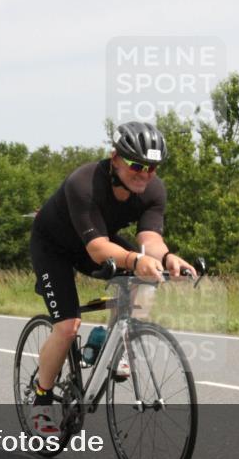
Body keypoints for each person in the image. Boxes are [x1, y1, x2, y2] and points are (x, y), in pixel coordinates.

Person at [27, 121, 196, 437]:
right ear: (115, 157)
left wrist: (168, 258)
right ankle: (41, 400)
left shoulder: (152, 190)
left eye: (152, 168)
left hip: (101, 242)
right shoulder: (85, 182)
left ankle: (114, 341)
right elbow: (96, 249)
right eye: (136, 164)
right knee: (67, 326)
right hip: (56, 247)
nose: (144, 174)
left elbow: (150, 240)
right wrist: (136, 259)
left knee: (148, 276)